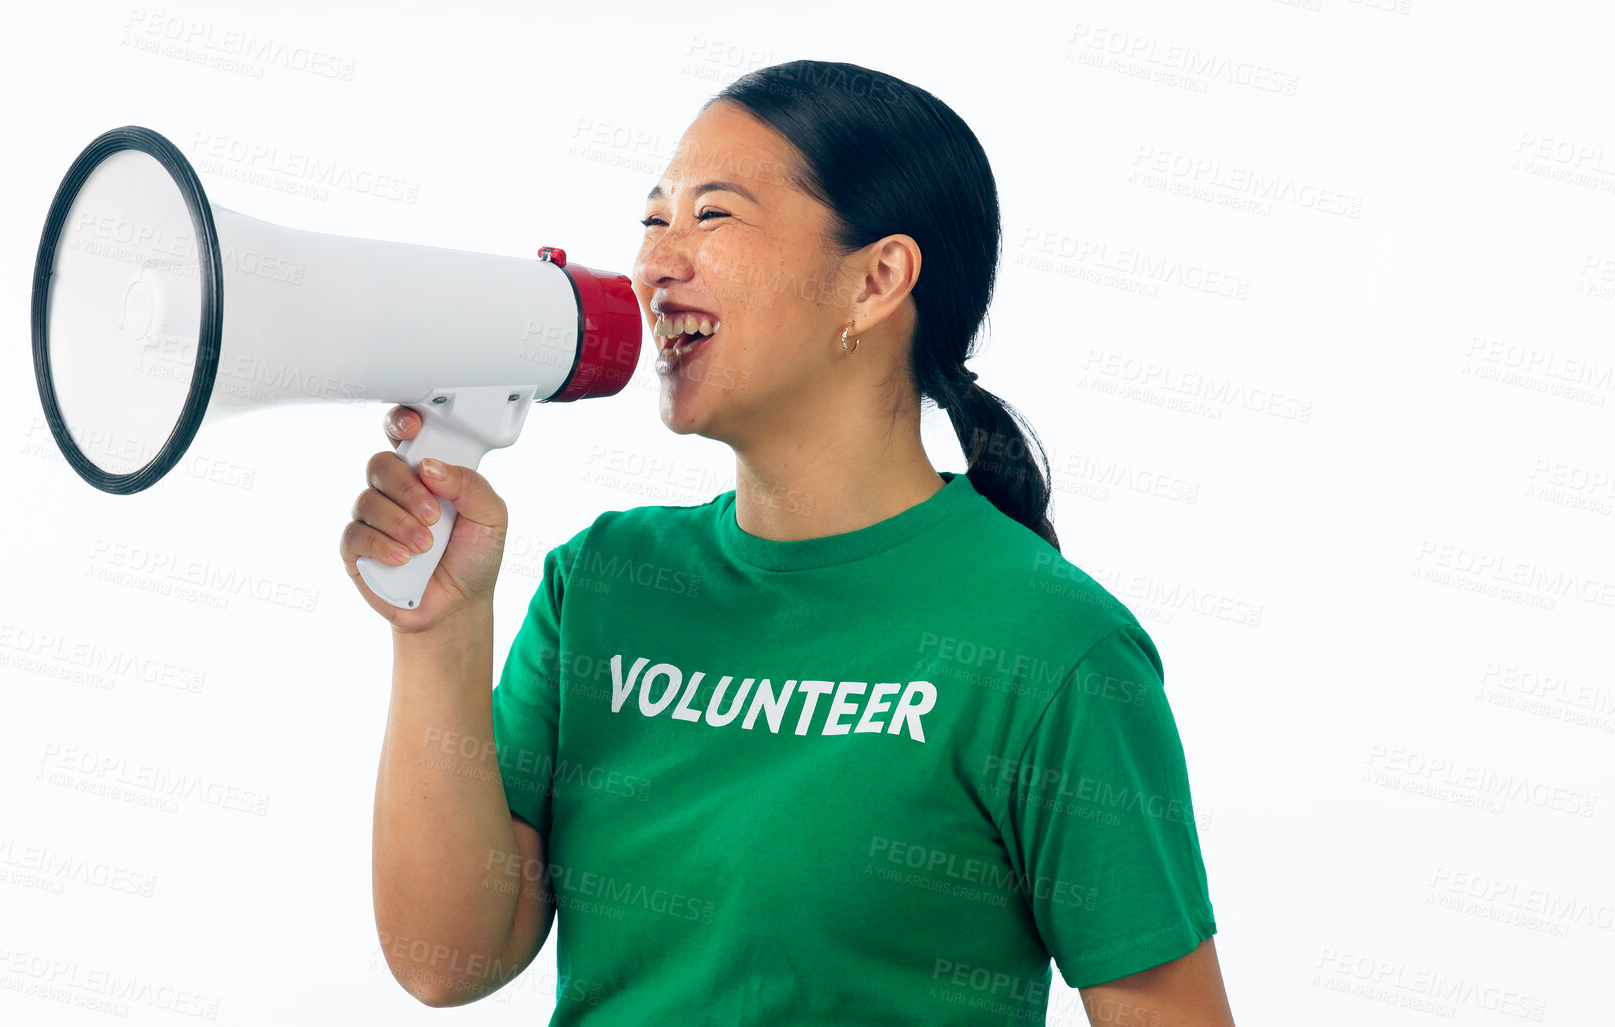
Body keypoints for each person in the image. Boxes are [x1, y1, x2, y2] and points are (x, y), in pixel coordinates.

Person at [348, 59, 1234, 1027]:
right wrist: (437, 629)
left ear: (876, 280)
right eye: (654, 221)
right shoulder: (602, 583)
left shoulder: (1055, 645)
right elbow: (450, 959)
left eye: (712, 217)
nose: (655, 265)